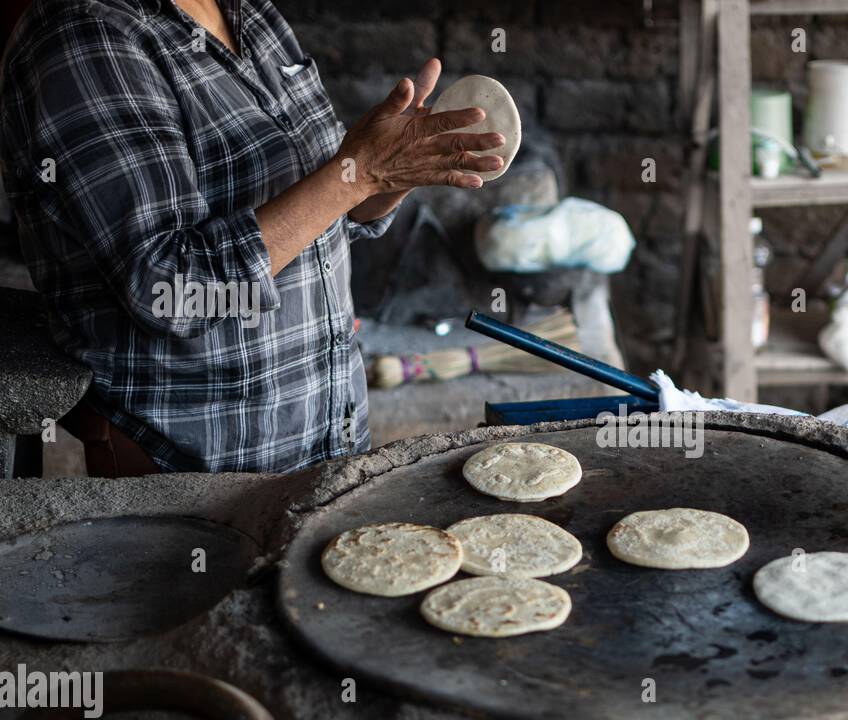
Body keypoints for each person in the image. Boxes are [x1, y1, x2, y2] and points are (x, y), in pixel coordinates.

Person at [0, 0, 503, 475]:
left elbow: (324, 215)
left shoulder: (249, 12)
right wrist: (361, 172)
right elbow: (172, 289)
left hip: (329, 441)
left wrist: (395, 170)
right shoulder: (85, 35)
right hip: (198, 473)